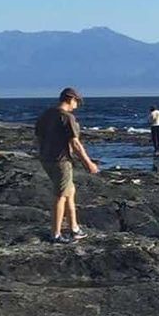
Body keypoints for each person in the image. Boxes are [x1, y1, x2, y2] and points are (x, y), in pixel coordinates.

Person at [34, 87, 99, 243]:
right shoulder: (66, 117)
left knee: (70, 191)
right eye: (77, 102)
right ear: (71, 99)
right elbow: (75, 143)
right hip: (60, 160)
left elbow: (38, 136)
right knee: (61, 195)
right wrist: (88, 163)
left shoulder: (46, 115)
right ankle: (55, 234)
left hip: (46, 158)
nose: (77, 106)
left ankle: (74, 228)